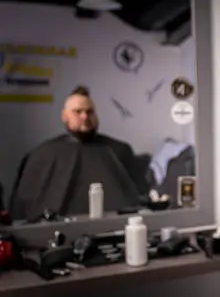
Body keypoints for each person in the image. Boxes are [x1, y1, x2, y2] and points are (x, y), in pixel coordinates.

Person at [10, 86, 146, 221]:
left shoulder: (119, 150)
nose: (85, 116)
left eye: (89, 111)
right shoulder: (41, 155)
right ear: (64, 116)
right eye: (77, 112)